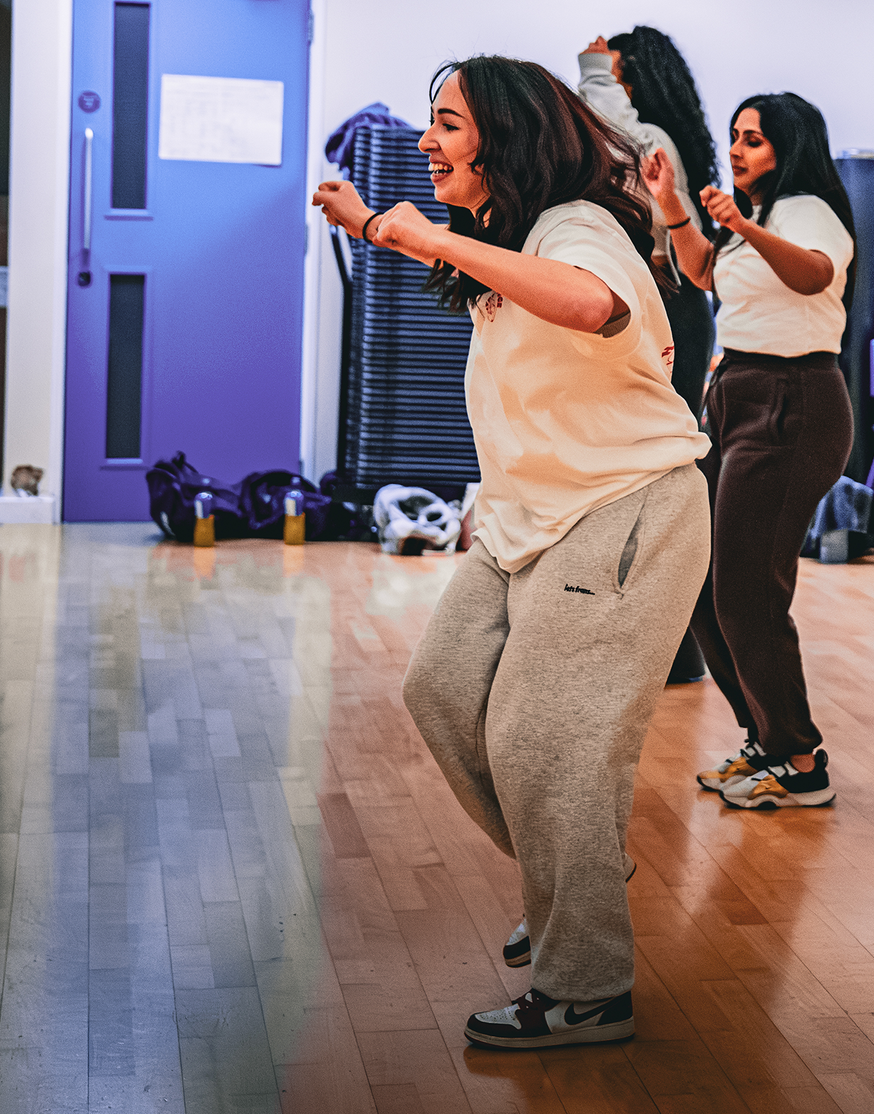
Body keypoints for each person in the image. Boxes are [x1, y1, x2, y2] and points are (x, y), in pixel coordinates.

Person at [314, 57, 710, 1050]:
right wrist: (375, 221)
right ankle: (570, 867)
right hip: (525, 515)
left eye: (446, 122)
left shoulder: (575, 226)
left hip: (620, 511)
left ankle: (585, 988)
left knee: (544, 739)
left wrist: (407, 227)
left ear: (506, 134)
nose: (426, 139)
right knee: (444, 690)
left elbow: (588, 303)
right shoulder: (514, 232)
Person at [645, 92, 856, 810]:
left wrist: (739, 224)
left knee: (747, 590)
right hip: (737, 391)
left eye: (754, 140)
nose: (738, 150)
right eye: (736, 137)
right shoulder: (756, 217)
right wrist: (674, 204)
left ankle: (800, 759)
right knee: (701, 585)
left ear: (787, 148)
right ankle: (766, 741)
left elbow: (813, 274)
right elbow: (704, 273)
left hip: (794, 399)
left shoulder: (805, 209)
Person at [578, 27, 721, 416]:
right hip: (650, 302)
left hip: (669, 305)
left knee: (665, 441)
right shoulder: (629, 147)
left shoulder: (653, 141)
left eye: (612, 77)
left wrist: (593, 70)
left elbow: (625, 140)